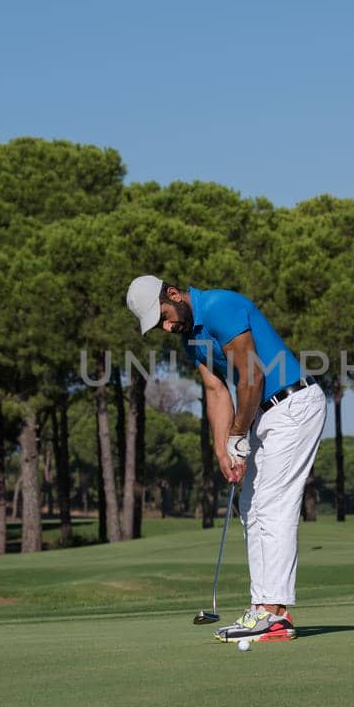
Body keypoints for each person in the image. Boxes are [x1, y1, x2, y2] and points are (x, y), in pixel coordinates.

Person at [125, 275, 326, 643]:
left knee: (272, 505)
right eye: (159, 325)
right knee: (250, 507)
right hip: (264, 415)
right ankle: (263, 608)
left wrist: (237, 434)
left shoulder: (220, 306)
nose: (167, 327)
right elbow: (216, 389)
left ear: (173, 295)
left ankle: (274, 613)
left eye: (165, 316)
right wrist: (223, 450)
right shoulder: (191, 338)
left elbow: (251, 376)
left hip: (293, 404)